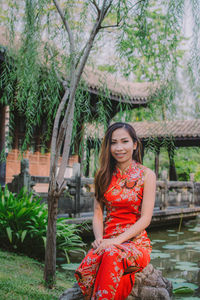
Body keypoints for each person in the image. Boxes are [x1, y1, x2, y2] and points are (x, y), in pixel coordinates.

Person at [75, 122, 156, 300]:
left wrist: (115, 242)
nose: (119, 148)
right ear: (108, 146)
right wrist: (99, 239)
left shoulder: (146, 175)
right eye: (113, 142)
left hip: (135, 244)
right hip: (107, 241)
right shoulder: (103, 174)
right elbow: (97, 214)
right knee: (100, 258)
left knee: (111, 254)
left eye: (124, 141)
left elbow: (146, 219)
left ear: (134, 145)